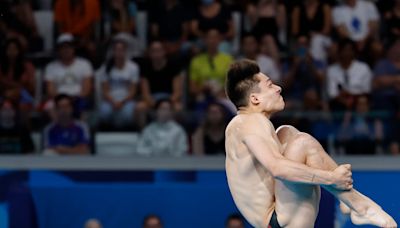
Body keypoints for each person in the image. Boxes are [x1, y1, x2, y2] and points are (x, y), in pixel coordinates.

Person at [224, 59, 396, 227]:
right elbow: (277, 168)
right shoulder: (249, 122)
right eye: (270, 85)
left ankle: (350, 202)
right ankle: (358, 204)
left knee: (287, 132)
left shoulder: (247, 123)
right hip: (277, 221)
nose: (278, 88)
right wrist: (332, 179)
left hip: (281, 213)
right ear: (255, 99)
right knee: (302, 142)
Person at [44, 34, 93, 115]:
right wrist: (63, 100)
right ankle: (57, 127)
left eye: (69, 47)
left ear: (74, 48)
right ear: (59, 50)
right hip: (58, 100)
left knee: (82, 106)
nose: (66, 50)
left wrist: (73, 99)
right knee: (49, 107)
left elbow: (87, 89)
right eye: (63, 47)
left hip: (78, 98)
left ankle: (79, 127)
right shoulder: (51, 67)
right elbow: (50, 90)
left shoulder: (85, 64)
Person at [98, 38, 140, 128]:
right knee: (104, 113)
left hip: (127, 100)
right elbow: (105, 91)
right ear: (113, 51)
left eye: (121, 50)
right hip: (110, 100)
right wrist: (113, 102)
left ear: (126, 51)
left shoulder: (133, 67)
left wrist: (122, 102)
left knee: (128, 114)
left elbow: (133, 91)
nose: (119, 52)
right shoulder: (106, 67)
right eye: (117, 50)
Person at [326, 39, 372, 111]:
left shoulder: (363, 68)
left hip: (358, 102)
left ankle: (362, 122)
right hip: (338, 103)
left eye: (349, 50)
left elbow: (367, 90)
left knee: (363, 101)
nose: (347, 53)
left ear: (354, 52)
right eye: (344, 50)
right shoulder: (331, 70)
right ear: (339, 52)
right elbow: (332, 94)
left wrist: (350, 94)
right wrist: (344, 100)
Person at [140, 40, 183, 110]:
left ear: (164, 51)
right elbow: (145, 94)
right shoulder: (145, 68)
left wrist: (167, 102)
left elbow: (177, 93)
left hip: (169, 98)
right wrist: (155, 104)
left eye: (159, 50)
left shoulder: (174, 66)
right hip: (152, 99)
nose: (156, 54)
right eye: (153, 51)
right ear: (149, 53)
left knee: (178, 108)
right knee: (140, 107)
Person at [0, 38, 36, 111]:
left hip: (24, 95)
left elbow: (32, 87)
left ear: (19, 51)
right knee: (6, 104)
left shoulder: (27, 66)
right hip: (4, 95)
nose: (12, 51)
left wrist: (17, 90)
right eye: (9, 49)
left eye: (14, 49)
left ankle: (24, 122)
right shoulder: (1, 66)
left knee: (24, 104)